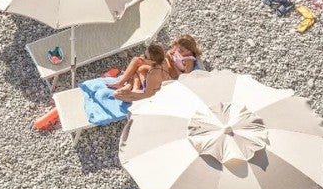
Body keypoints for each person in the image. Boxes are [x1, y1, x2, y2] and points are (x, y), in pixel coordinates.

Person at [32, 35, 201, 130]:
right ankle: (122, 82)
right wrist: (170, 56)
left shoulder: (188, 60)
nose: (178, 51)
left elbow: (185, 76)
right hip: (161, 66)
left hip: (167, 77)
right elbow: (167, 55)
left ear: (190, 50)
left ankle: (130, 90)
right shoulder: (173, 52)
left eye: (183, 50)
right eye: (177, 47)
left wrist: (174, 65)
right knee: (137, 62)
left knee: (142, 71)